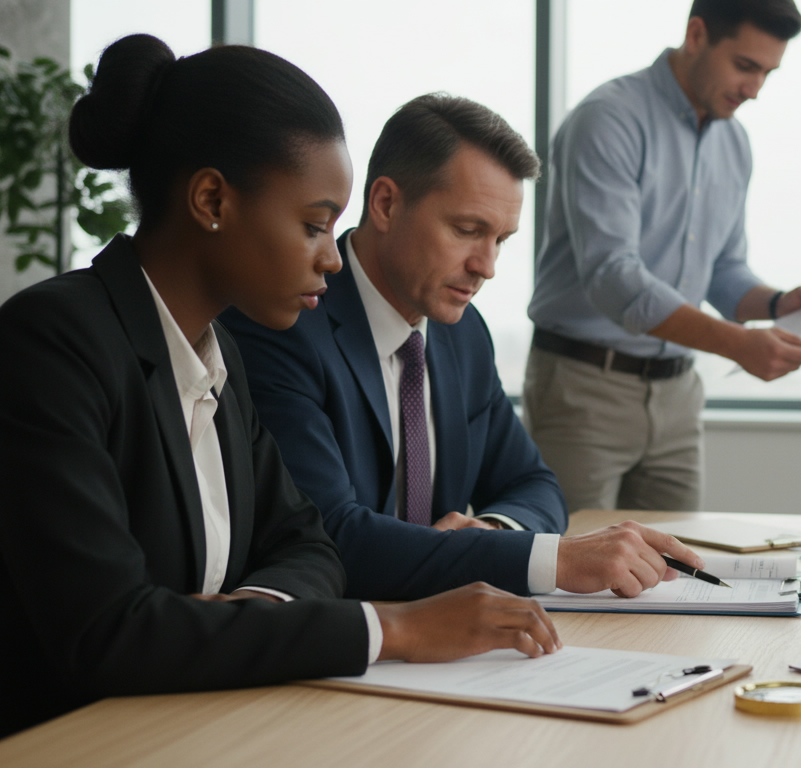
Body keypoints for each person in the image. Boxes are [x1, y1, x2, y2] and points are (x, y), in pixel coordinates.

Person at [0, 35, 564, 738]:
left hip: (207, 720)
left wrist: (248, 612)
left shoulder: (218, 355)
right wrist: (391, 629)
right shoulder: (53, 342)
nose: (332, 257)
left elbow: (308, 545)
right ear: (211, 199)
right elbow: (110, 632)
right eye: (312, 224)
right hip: (77, 741)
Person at [221, 95, 705, 601]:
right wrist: (549, 559)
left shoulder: (462, 333)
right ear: (385, 204)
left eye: (501, 240)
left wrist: (494, 532)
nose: (486, 266)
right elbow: (332, 537)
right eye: (468, 231)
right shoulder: (285, 323)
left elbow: (534, 483)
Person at [525, 0, 801, 513]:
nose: (755, 90)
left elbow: (724, 271)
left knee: (678, 569)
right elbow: (613, 277)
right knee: (566, 567)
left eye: (767, 73)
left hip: (678, 396)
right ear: (697, 34)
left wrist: (778, 303)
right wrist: (738, 345)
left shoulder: (734, 143)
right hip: (583, 391)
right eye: (745, 66)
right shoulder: (609, 119)